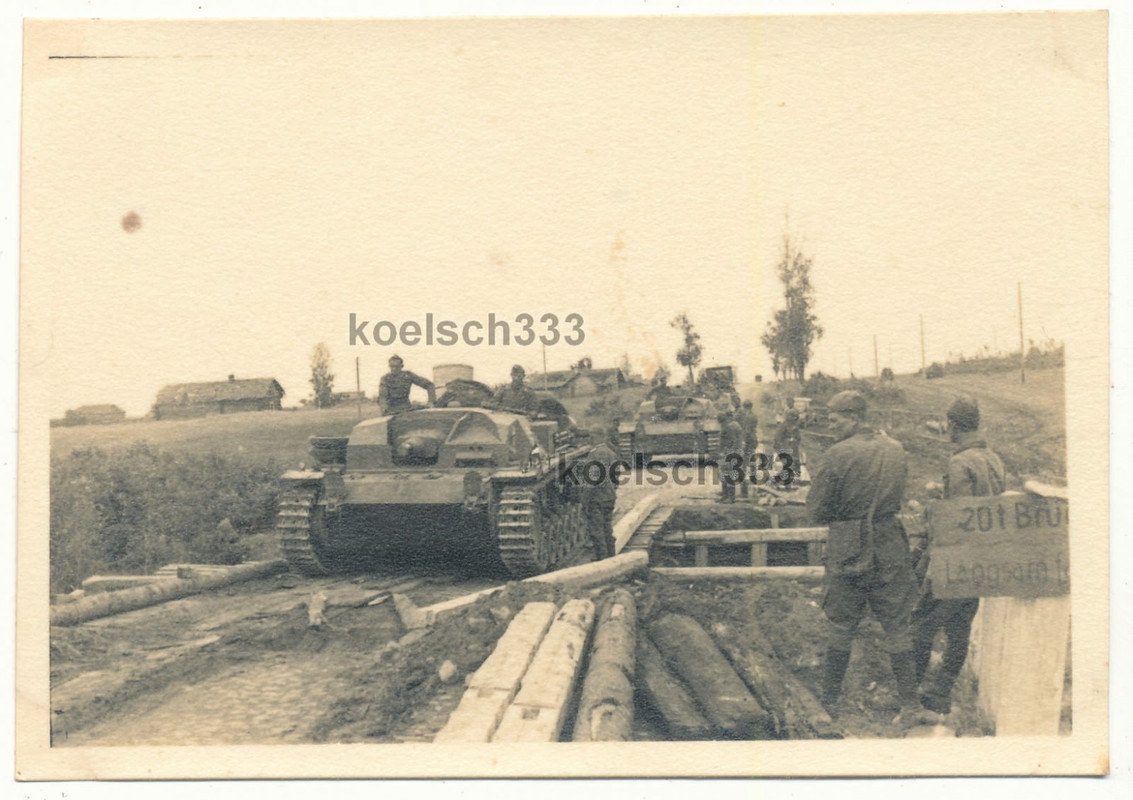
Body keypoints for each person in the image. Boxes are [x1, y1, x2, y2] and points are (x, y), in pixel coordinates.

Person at [807, 390, 935, 727]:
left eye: (835, 420)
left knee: (840, 624)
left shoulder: (836, 455)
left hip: (849, 546)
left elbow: (817, 510)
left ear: (853, 417)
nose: (831, 426)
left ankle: (830, 702)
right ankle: (909, 705)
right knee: (897, 624)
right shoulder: (896, 450)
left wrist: (844, 513)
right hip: (890, 544)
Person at [911, 396, 1006, 714]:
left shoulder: (960, 462)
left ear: (953, 425)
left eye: (947, 425)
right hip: (983, 558)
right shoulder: (993, 458)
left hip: (956, 560)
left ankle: (910, 694)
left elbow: (959, 519)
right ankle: (940, 693)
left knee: (921, 623)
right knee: (959, 627)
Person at [583, 427, 619, 559]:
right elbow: (616, 476)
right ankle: (611, 557)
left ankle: (602, 560)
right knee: (607, 528)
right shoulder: (611, 453)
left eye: (592, 436)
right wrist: (612, 490)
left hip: (596, 499)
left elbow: (592, 480)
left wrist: (585, 500)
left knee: (597, 531)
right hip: (609, 496)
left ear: (599, 437)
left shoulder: (594, 454)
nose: (590, 439)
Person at [774, 397, 802, 483]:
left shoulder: (795, 425)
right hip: (785, 446)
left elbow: (799, 437)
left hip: (793, 446)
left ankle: (796, 477)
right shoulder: (783, 425)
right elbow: (778, 437)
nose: (794, 418)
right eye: (792, 416)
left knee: (796, 461)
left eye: (795, 416)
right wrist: (781, 443)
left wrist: (795, 439)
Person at [718, 411, 743, 504]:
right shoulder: (727, 426)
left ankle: (731, 497)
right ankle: (725, 496)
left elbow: (733, 441)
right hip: (727, 453)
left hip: (729, 453)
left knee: (729, 475)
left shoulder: (728, 427)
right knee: (724, 475)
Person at [738, 400, 759, 498]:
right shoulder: (753, 415)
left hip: (747, 441)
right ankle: (753, 480)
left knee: (744, 463)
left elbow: (746, 430)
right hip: (752, 440)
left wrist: (742, 440)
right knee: (752, 461)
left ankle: (744, 490)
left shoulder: (746, 417)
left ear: (744, 407)